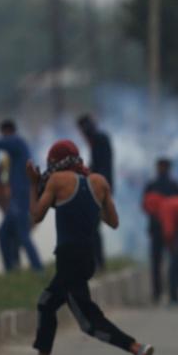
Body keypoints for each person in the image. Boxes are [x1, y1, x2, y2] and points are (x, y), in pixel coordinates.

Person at [13, 140, 153, 355]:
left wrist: (34, 184)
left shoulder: (57, 181)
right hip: (88, 258)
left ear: (56, 162)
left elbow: (36, 215)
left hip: (69, 257)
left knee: (88, 321)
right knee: (46, 303)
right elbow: (113, 222)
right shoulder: (99, 182)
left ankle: (136, 348)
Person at [0, 119, 43, 272]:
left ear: (7, 132)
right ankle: (11, 270)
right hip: (16, 200)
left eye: (3, 135)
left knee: (23, 235)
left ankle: (38, 269)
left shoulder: (17, 142)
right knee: (4, 233)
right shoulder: (15, 153)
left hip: (20, 199)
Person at [142, 158, 178, 304]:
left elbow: (145, 206)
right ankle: (170, 291)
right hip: (167, 229)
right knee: (170, 260)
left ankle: (161, 292)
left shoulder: (153, 186)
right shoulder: (173, 186)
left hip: (162, 229)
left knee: (159, 261)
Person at [76, 114, 113, 270]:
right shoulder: (98, 139)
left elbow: (100, 166)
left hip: (99, 188)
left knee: (91, 226)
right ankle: (98, 262)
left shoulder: (98, 139)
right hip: (100, 186)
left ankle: (98, 262)